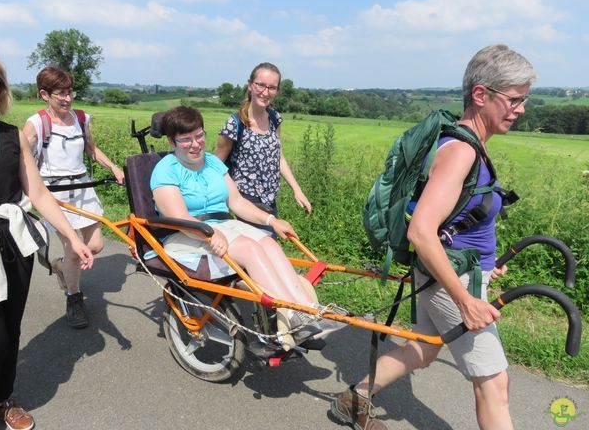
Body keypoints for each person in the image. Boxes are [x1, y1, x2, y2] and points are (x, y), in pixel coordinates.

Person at [331, 44, 536, 430]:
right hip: (451, 283)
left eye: (524, 99)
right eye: (514, 99)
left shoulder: (466, 144)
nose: (521, 109)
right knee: (495, 384)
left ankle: (352, 399)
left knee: (423, 348)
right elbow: (421, 231)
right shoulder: (461, 151)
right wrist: (465, 301)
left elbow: (458, 218)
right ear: (480, 95)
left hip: (452, 272)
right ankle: (353, 400)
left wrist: (488, 264)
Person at [0, 49, 94, 430]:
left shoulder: (10, 135)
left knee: (11, 330)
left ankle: (4, 398)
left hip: (13, 242)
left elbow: (40, 194)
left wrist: (70, 237)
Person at [151, 105, 326, 343]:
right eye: (186, 139)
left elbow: (237, 202)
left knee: (269, 243)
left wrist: (271, 220)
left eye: (199, 135)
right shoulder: (165, 171)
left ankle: (307, 311)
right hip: (185, 234)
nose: (195, 144)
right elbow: (180, 219)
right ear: (172, 142)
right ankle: (289, 315)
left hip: (221, 227)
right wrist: (210, 234)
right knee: (249, 248)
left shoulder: (212, 162)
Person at [22, 67, 124, 329]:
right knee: (73, 249)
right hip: (54, 194)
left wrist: (112, 167)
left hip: (83, 187)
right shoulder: (36, 123)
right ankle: (74, 297)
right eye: (61, 94)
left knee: (97, 245)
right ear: (44, 94)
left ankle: (61, 267)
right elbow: (20, 156)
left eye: (70, 92)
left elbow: (91, 149)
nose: (67, 99)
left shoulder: (81, 118)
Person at [215, 62, 311, 235]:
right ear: (251, 85)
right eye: (260, 85)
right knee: (263, 247)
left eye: (272, 87)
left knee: (266, 246)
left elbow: (279, 158)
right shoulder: (235, 124)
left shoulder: (274, 118)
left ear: (277, 91)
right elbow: (216, 165)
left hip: (269, 198)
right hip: (245, 200)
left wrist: (297, 190)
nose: (265, 92)